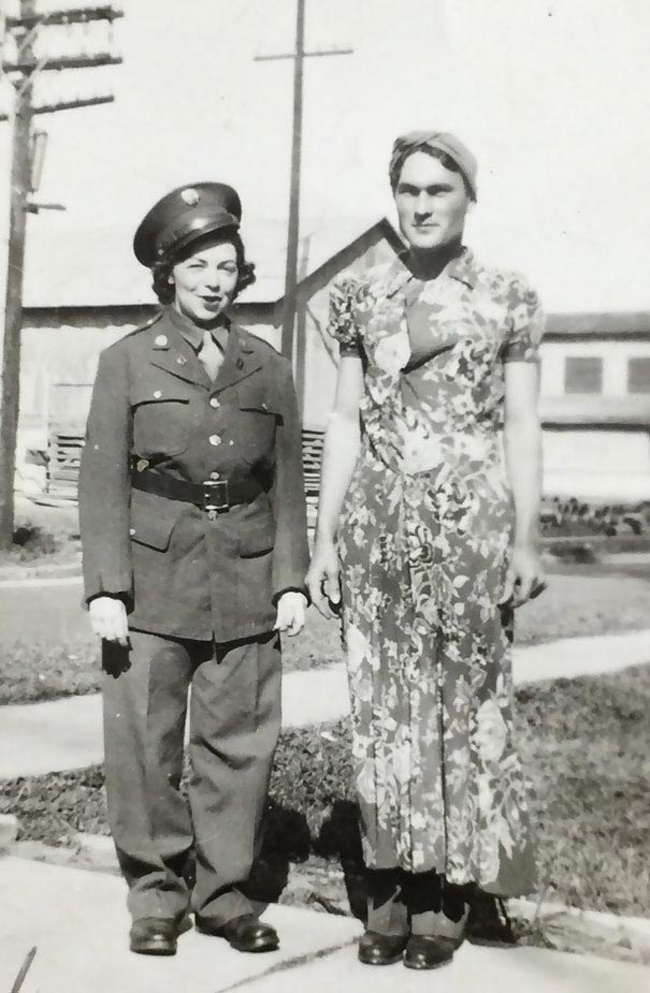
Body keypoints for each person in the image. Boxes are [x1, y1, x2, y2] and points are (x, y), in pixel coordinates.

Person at [307, 132, 546, 971]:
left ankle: (448, 892)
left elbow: (521, 422)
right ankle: (389, 887)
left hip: (470, 527)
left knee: (461, 701)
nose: (421, 204)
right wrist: (324, 539)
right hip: (376, 523)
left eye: (439, 189)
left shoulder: (507, 296)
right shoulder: (358, 295)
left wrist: (527, 536)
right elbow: (343, 420)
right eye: (408, 189)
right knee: (381, 701)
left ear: (468, 196)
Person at [79, 182, 309, 957]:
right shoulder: (125, 360)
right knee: (145, 744)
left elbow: (285, 482)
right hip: (150, 579)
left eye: (227, 266)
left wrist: (290, 576)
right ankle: (156, 894)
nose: (214, 281)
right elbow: (101, 479)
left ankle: (225, 896)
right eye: (198, 265)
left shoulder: (267, 366)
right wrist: (106, 586)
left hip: (245, 572)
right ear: (169, 272)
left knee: (239, 741)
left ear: (242, 275)